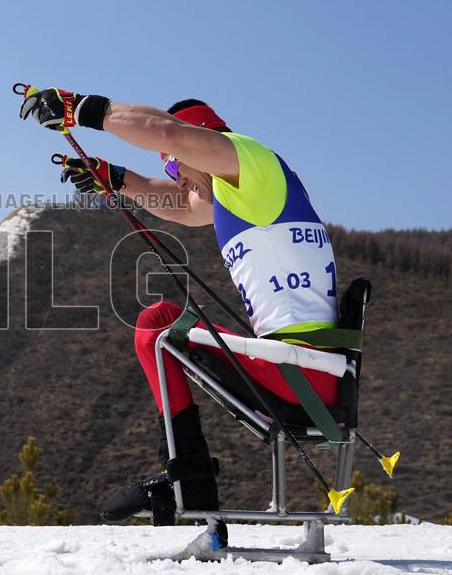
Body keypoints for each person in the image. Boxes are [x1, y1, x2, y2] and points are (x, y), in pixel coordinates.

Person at [20, 87, 340, 552]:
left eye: (179, 166)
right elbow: (180, 205)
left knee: (157, 326)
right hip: (306, 373)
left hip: (303, 374)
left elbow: (166, 133)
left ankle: (186, 485)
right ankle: (188, 483)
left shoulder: (252, 161)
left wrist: (81, 109)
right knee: (161, 319)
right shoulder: (239, 191)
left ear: (202, 144)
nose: (181, 180)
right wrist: (116, 178)